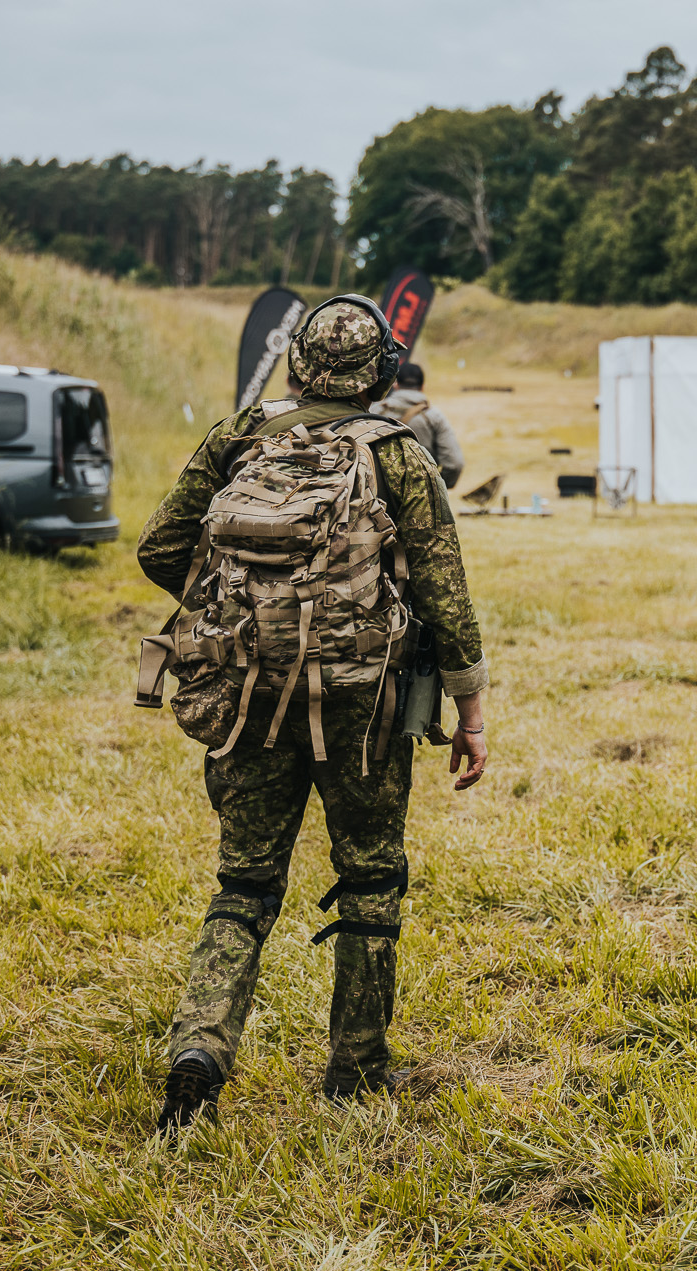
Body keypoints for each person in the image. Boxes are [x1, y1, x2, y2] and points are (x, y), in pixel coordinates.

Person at [138, 297, 489, 1133]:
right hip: (362, 705)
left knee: (245, 880)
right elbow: (446, 595)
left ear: (295, 363)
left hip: (246, 696)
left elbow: (159, 545)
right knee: (370, 876)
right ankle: (357, 1070)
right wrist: (470, 709)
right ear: (382, 369)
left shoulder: (237, 438)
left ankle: (200, 1050)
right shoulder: (400, 454)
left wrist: (239, 615)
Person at [371, 361, 465, 489]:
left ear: (396, 385)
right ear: (422, 387)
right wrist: (436, 488)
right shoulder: (433, 416)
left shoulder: (374, 412)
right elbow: (454, 464)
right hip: (420, 495)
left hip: (377, 497)